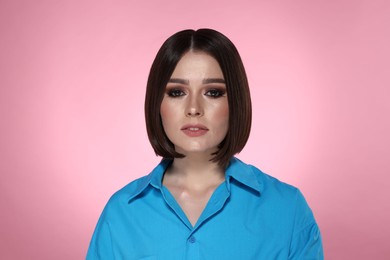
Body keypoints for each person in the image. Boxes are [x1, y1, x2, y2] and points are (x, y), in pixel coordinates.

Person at [86, 28, 324, 259]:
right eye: (177, 92)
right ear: (157, 104)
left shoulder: (287, 209)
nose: (193, 109)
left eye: (213, 92)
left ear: (236, 103)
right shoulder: (121, 213)